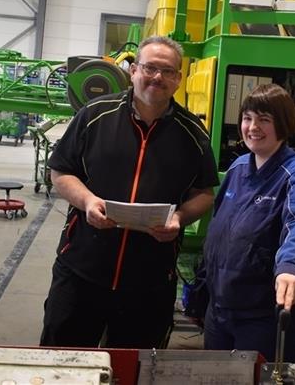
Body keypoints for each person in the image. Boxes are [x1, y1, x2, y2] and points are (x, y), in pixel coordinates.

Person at [41, 35, 219, 349]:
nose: (158, 77)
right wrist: (88, 201)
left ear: (178, 79)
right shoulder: (95, 115)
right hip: (82, 271)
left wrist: (179, 216)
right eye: (150, 68)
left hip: (149, 281)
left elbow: (204, 191)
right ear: (134, 70)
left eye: (168, 71)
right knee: (63, 360)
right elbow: (61, 171)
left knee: (134, 368)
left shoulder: (193, 134)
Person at [202, 83, 295, 363]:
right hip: (220, 313)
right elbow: (220, 231)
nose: (252, 127)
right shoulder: (238, 168)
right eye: (247, 118)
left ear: (282, 125)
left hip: (262, 320)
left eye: (264, 120)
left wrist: (293, 266)